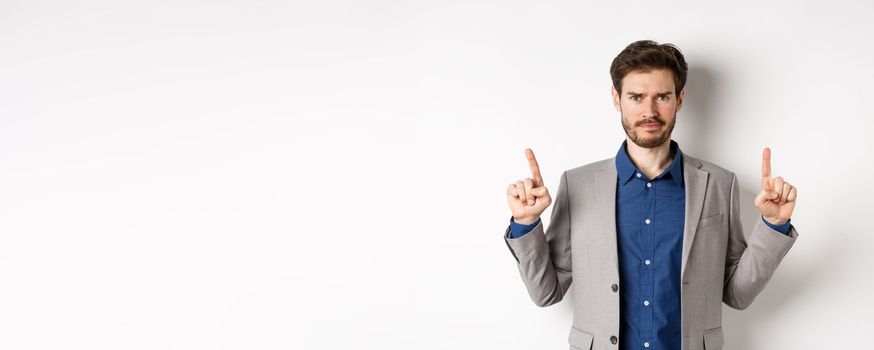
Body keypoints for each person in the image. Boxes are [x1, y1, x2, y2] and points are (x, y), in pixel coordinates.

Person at [503, 40, 798, 350]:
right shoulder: (577, 185)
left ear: (679, 99)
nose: (649, 111)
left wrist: (773, 225)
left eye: (662, 96)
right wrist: (526, 224)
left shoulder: (719, 185)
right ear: (617, 99)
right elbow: (545, 293)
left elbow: (737, 294)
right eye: (636, 97)